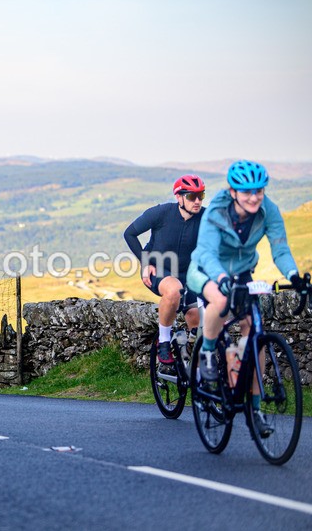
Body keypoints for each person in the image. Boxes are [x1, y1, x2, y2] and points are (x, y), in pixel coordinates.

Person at [187, 160, 304, 437]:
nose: (254, 197)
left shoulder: (268, 210)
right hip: (206, 270)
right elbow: (207, 253)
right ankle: (207, 352)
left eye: (259, 191)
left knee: (254, 329)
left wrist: (295, 276)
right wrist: (221, 279)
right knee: (220, 301)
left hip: (241, 272)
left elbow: (280, 248)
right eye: (247, 192)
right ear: (233, 191)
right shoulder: (217, 211)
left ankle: (255, 409)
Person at [124, 175, 206, 364]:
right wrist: (145, 262)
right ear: (179, 197)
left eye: (200, 195)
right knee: (174, 290)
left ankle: (191, 365)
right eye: (191, 196)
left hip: (189, 274)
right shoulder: (161, 213)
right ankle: (164, 341)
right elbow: (129, 233)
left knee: (196, 318)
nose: (197, 201)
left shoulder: (206, 218)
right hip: (158, 269)